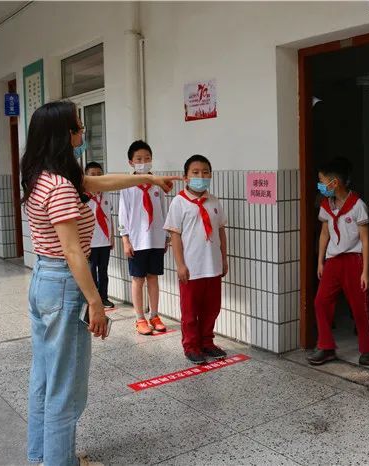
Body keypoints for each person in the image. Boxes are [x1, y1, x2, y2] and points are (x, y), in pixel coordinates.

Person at [21, 100, 179, 466]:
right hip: (64, 282)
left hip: (44, 279)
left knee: (45, 376)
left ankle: (43, 456)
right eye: (78, 127)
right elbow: (75, 253)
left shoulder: (43, 175)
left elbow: (101, 181)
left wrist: (148, 179)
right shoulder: (61, 186)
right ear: (64, 134)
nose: (82, 132)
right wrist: (95, 303)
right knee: (66, 386)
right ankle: (60, 461)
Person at [307, 157, 369, 367]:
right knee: (321, 302)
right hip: (333, 261)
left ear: (334, 183)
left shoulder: (358, 206)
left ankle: (368, 348)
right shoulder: (325, 205)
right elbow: (324, 234)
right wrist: (321, 262)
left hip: (354, 261)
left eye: (321, 181)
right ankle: (326, 347)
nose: (319, 185)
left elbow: (365, 240)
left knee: (359, 306)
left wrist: (366, 271)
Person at [164, 155, 228, 365]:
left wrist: (224, 260)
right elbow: (174, 235)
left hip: (213, 266)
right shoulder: (179, 202)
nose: (201, 176)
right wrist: (180, 265)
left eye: (206, 172)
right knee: (190, 311)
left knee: (212, 308)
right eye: (196, 172)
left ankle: (207, 342)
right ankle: (191, 345)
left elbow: (220, 232)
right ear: (186, 177)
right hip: (191, 268)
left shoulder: (214, 201)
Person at [118, 140, 169, 335]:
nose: (143, 162)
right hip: (137, 241)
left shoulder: (156, 184)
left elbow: (163, 211)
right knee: (138, 279)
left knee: (153, 277)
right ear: (131, 162)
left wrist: (166, 237)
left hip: (156, 238)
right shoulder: (127, 186)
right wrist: (125, 239)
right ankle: (139, 318)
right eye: (139, 159)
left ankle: (154, 315)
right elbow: (123, 214)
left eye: (147, 158)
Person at [84, 161, 115, 310]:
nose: (96, 177)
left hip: (104, 240)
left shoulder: (106, 193)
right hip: (90, 241)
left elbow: (109, 216)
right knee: (91, 271)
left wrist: (112, 237)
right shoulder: (84, 196)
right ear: (86, 176)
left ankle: (104, 297)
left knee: (103, 271)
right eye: (92, 175)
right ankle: (93, 299)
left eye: (99, 174)